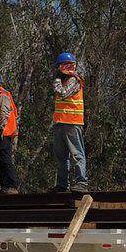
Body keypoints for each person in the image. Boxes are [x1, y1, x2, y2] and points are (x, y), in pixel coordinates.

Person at [51, 52, 88, 192]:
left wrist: (57, 82)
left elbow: (63, 93)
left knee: (77, 153)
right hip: (60, 123)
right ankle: (62, 185)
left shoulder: (74, 80)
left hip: (72, 123)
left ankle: (81, 182)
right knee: (61, 156)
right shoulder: (64, 80)